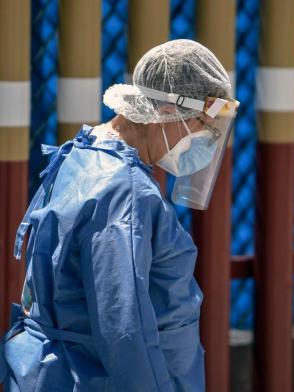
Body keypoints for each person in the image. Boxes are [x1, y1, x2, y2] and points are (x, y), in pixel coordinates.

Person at [0, 39, 239, 391]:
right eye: (204, 125)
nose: (205, 139)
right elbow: (126, 330)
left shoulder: (82, 153)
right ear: (169, 111)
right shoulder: (125, 191)